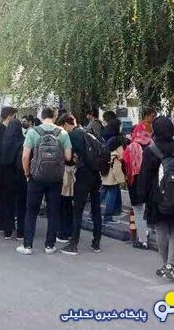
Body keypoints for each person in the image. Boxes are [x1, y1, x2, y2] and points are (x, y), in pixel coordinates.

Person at [136, 117, 174, 281]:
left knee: (161, 230)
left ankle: (165, 264)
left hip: (157, 198)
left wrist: (141, 196)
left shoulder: (150, 150)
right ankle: (171, 264)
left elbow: (144, 176)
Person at [17, 107, 72, 255]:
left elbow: (25, 156)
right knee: (53, 211)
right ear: (55, 116)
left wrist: (27, 173)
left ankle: (27, 245)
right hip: (55, 178)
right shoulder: (63, 133)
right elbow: (68, 157)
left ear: (41, 117)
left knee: (31, 211)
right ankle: (50, 245)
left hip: (36, 177)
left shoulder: (32, 132)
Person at [59, 114, 103, 255]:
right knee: (96, 209)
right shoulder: (87, 133)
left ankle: (73, 244)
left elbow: (69, 158)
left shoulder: (73, 135)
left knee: (77, 210)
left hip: (83, 175)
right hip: (96, 174)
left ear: (66, 124)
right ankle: (96, 243)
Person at [0, 117, 26, 240]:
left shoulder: (3, 142)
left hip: (6, 177)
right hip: (20, 176)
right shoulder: (23, 141)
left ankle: (7, 231)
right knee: (21, 205)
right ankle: (21, 232)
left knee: (7, 203)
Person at [101, 115, 126, 223]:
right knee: (112, 192)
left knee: (103, 191)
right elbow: (122, 155)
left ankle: (93, 214)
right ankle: (107, 217)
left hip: (104, 167)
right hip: (113, 169)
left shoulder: (104, 136)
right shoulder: (116, 140)